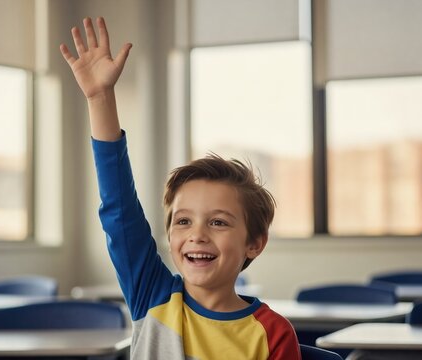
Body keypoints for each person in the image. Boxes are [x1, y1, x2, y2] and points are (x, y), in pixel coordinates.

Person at [60, 17, 301, 360]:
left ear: (254, 243)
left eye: (218, 222)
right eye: (183, 221)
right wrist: (100, 98)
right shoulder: (152, 294)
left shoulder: (273, 333)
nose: (197, 235)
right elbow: (119, 209)